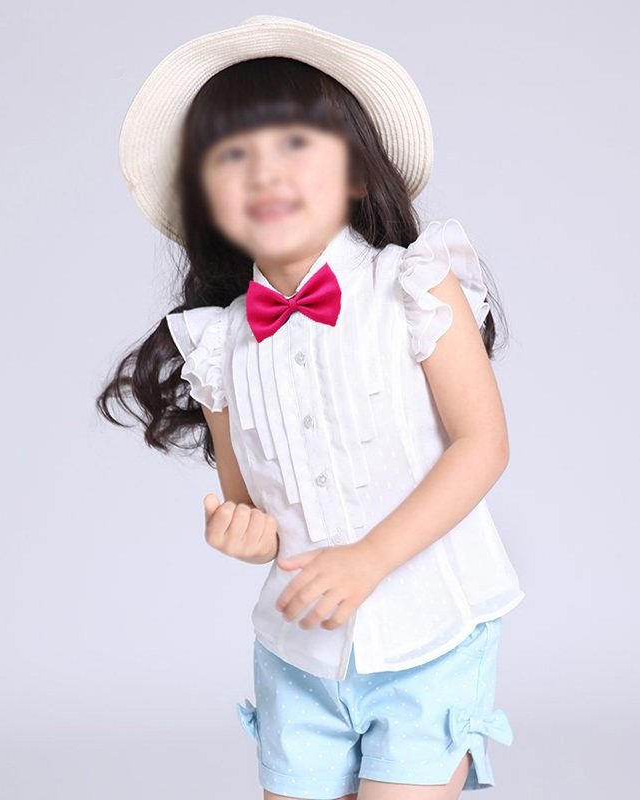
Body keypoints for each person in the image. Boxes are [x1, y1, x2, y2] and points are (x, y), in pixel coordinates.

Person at [99, 14, 525, 800]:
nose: (265, 172)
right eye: (232, 156)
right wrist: (241, 531)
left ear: (357, 172)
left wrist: (370, 558)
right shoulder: (219, 346)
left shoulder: (416, 286)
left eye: (295, 143)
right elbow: (253, 507)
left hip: (428, 635)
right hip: (298, 656)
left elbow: (482, 445)